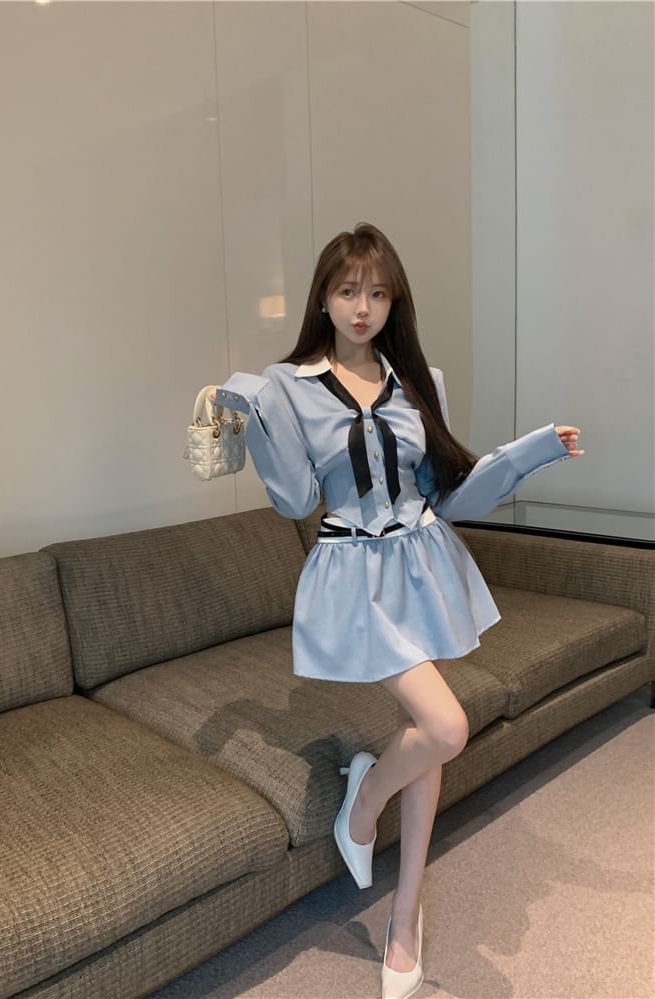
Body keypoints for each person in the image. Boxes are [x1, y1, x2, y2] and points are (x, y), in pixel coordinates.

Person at [209, 222, 583, 999]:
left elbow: (450, 493)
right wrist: (251, 410)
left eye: (378, 293)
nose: (362, 307)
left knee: (430, 741)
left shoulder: (418, 379)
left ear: (394, 302)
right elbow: (296, 498)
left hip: (424, 564)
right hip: (354, 578)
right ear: (322, 297)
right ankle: (365, 798)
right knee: (445, 727)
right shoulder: (289, 385)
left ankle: (403, 916)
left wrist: (533, 450)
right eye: (348, 290)